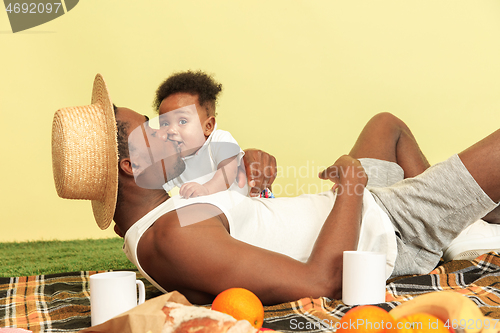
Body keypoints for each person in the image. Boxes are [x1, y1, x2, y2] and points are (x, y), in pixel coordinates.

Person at [52, 74, 500, 306]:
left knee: (386, 126)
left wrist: (249, 177)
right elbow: (319, 281)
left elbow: (250, 234)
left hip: (368, 208)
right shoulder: (174, 236)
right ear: (130, 166)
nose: (168, 131)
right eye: (151, 129)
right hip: (389, 230)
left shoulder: (165, 217)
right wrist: (350, 189)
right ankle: (446, 227)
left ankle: (461, 221)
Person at [142, 71, 271, 198]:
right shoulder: (174, 162)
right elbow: (157, 189)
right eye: (164, 123)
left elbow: (228, 171)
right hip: (222, 213)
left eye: (182, 121)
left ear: (208, 126)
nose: (170, 130)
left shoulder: (219, 141)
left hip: (255, 198)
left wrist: (207, 189)